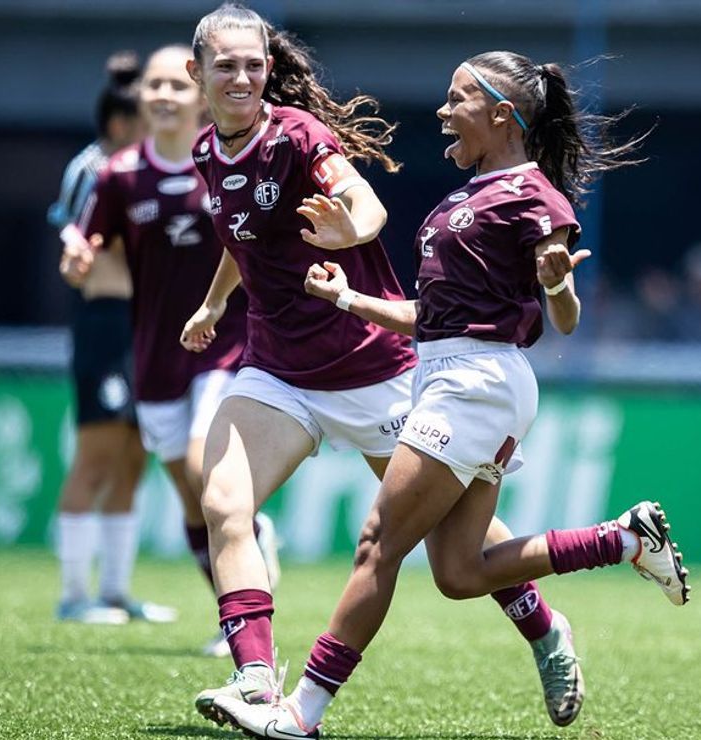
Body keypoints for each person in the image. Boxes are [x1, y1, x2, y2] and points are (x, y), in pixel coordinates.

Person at [209, 51, 689, 739]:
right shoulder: (458, 200)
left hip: (479, 384)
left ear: (502, 114)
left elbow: (564, 317)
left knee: (378, 544)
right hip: (448, 374)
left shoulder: (534, 196)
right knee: (460, 571)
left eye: (458, 97)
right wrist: (348, 298)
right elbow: (432, 320)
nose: (442, 110)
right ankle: (621, 540)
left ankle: (301, 713)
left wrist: (557, 283)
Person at [178, 4, 585, 727]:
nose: (241, 77)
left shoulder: (298, 135)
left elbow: (365, 206)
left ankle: (546, 630)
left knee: (456, 545)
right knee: (223, 504)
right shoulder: (208, 150)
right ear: (197, 72)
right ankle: (256, 681)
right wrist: (214, 305)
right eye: (226, 65)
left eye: (253, 65)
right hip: (277, 370)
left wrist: (351, 229)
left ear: (268, 71)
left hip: (373, 369)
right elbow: (242, 237)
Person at [61, 44, 276, 655]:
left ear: (199, 92)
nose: (162, 95)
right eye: (152, 85)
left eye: (175, 85)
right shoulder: (119, 174)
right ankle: (236, 606)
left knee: (204, 467)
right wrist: (76, 258)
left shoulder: (229, 162)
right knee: (192, 495)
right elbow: (83, 244)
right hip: (155, 356)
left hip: (228, 343)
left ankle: (248, 617)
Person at [47, 51, 163, 625]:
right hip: (105, 322)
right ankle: (73, 596)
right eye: (148, 117)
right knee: (95, 454)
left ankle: (115, 592)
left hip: (146, 321)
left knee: (134, 457)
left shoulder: (150, 169)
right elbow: (77, 246)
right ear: (121, 123)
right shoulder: (93, 169)